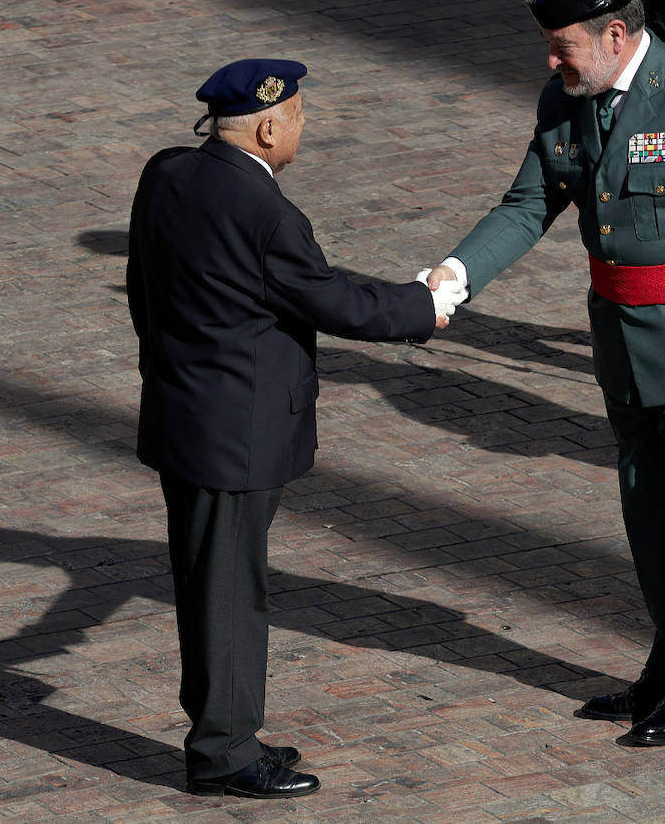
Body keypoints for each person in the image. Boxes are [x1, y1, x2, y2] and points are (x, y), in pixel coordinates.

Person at [421, 0, 665, 746]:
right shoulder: (566, 102)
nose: (551, 60)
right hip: (622, 347)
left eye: (564, 45)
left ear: (618, 34)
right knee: (649, 517)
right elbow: (527, 204)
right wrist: (454, 275)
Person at [126, 58, 465, 798]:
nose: (305, 127)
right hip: (236, 433)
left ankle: (231, 729)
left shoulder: (167, 174)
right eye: (302, 117)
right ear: (270, 125)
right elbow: (331, 299)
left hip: (182, 414)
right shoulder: (266, 212)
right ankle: (221, 752)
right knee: (227, 589)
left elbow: (141, 288)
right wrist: (422, 305)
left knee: (211, 578)